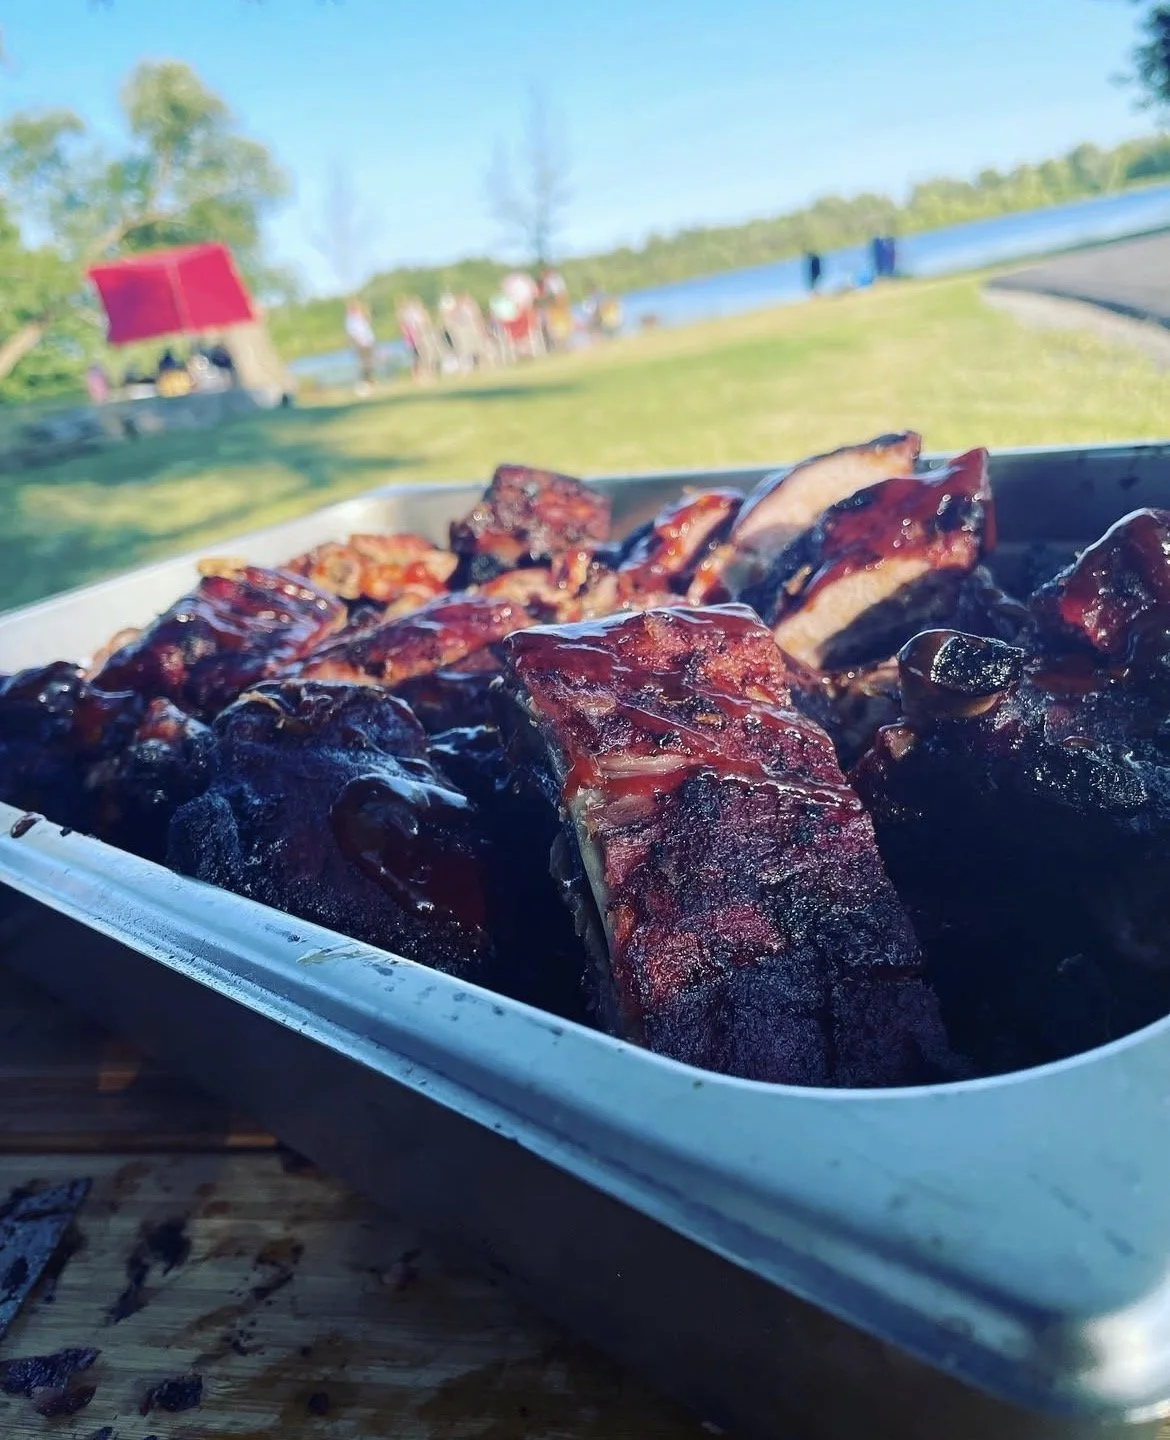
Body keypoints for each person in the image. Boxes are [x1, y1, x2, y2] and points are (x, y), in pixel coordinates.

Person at [344, 299, 377, 395]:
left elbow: (368, 319)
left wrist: (363, 307)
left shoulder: (360, 317)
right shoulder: (350, 320)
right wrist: (358, 342)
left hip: (368, 341)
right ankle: (364, 382)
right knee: (364, 363)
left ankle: (369, 381)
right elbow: (352, 333)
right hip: (360, 344)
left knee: (370, 363)